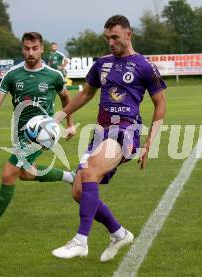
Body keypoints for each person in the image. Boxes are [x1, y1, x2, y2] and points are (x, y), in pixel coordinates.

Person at [51, 15, 167, 261]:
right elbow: (86, 94)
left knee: (91, 170)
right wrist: (60, 116)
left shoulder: (144, 66)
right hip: (101, 133)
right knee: (79, 191)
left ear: (128, 34)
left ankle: (81, 240)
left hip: (127, 132)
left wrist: (149, 143)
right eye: (107, 38)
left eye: (115, 37)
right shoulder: (101, 64)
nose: (111, 42)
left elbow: (160, 104)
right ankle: (119, 233)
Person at [0, 32, 76, 237]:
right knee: (26, 174)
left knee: (8, 173)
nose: (31, 52)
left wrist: (69, 124)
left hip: (42, 133)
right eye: (27, 48)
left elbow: (66, 98)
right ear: (22, 49)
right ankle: (70, 177)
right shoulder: (12, 74)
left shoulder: (53, 75)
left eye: (34, 48)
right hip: (20, 132)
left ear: (42, 49)